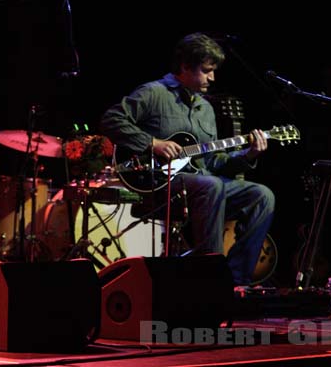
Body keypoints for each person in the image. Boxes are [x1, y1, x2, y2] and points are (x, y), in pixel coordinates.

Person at [100, 32, 275, 287]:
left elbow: (213, 162)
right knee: (211, 185)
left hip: (201, 184)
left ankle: (236, 281)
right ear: (184, 66)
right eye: (206, 71)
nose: (212, 78)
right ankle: (209, 278)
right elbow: (111, 120)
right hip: (158, 184)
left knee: (261, 195)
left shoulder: (205, 109)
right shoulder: (154, 93)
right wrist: (153, 144)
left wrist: (249, 155)